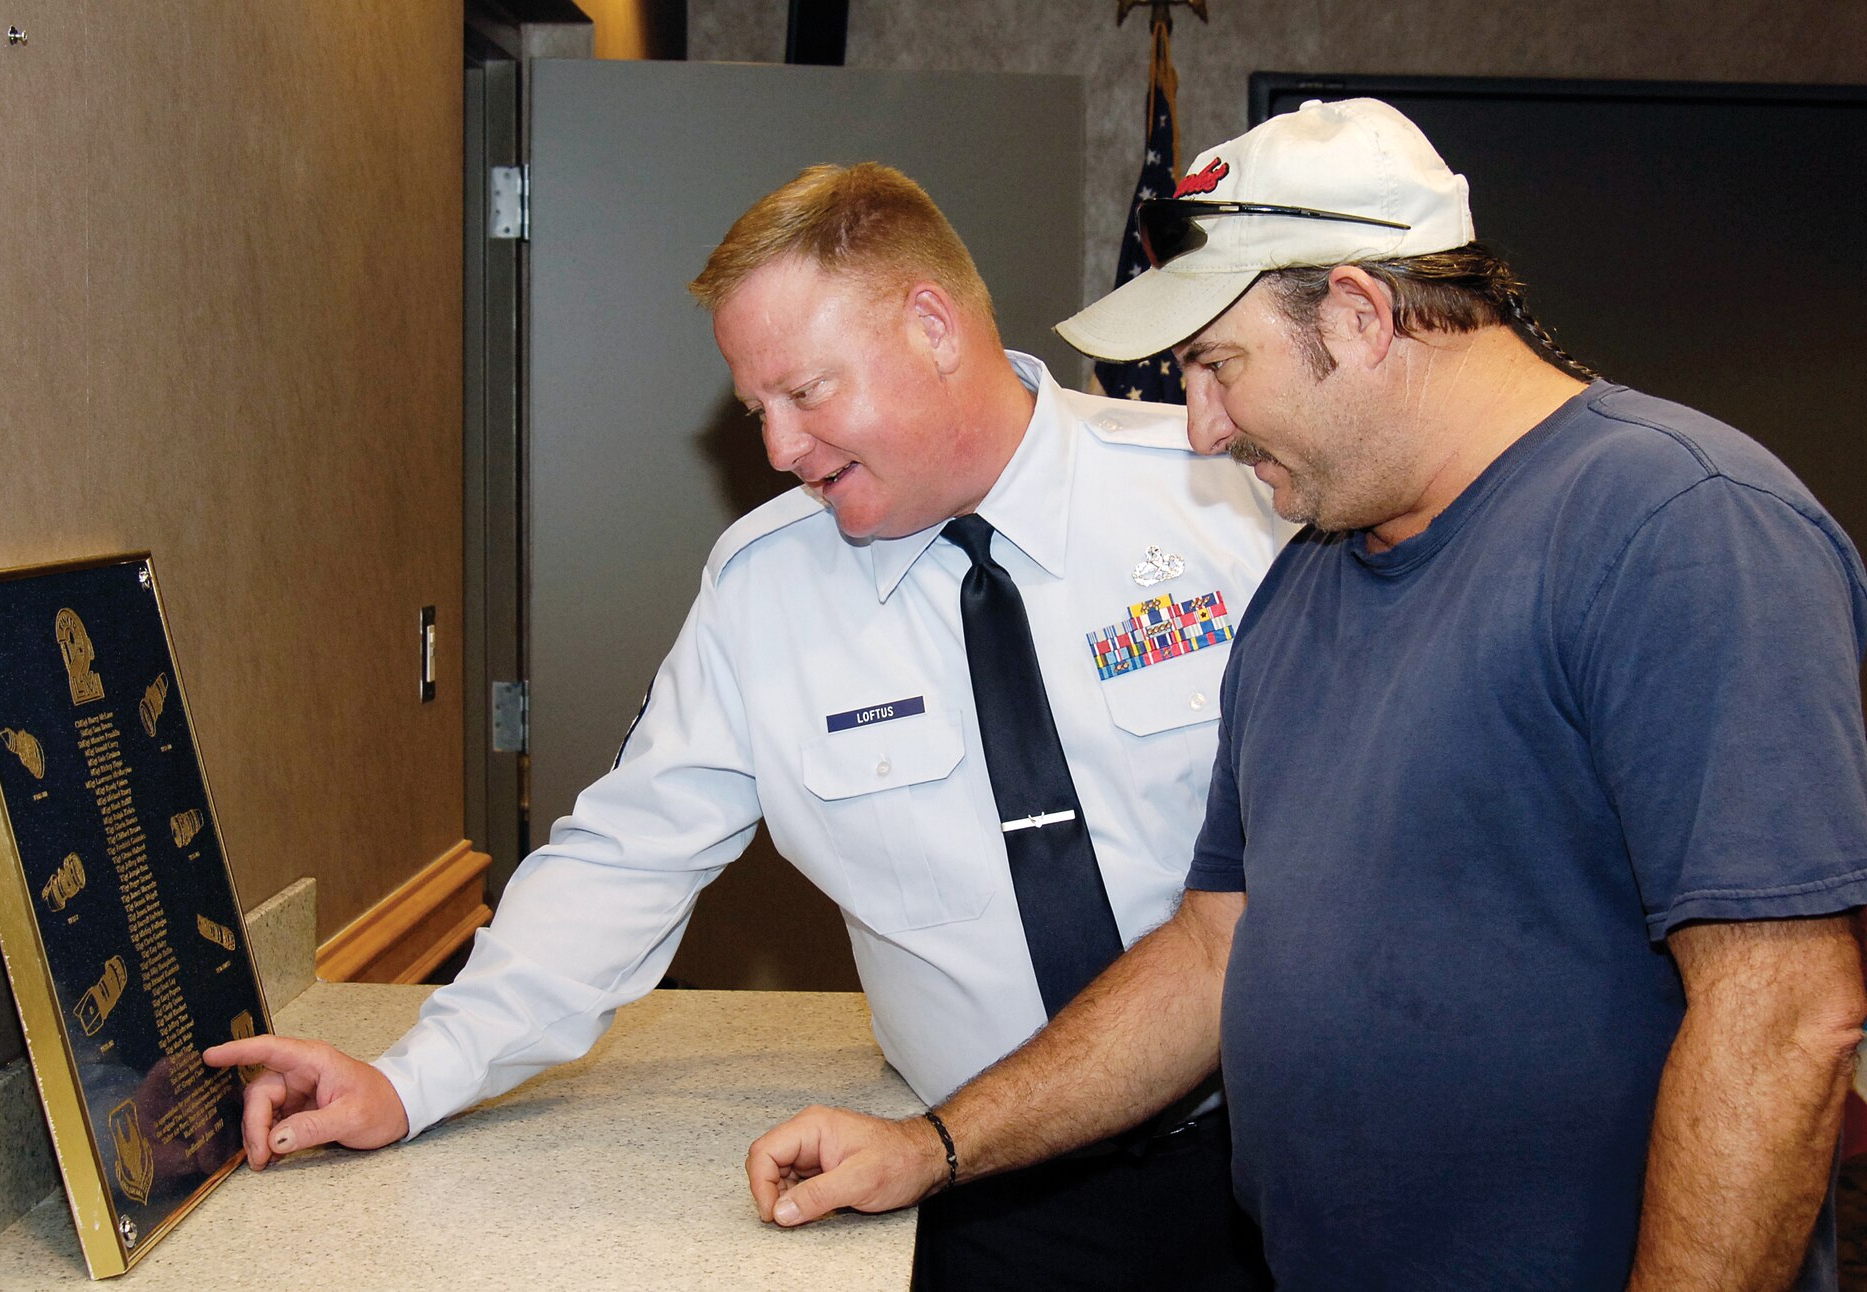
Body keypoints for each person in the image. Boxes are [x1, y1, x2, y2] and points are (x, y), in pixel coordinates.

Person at [745, 99, 1867, 1292]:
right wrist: (933, 1147)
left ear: (1358, 313)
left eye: (1218, 367)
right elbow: (1211, 952)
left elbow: (1784, 1015)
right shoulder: (1310, 581)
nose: (1201, 428)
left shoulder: (1674, 525)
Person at [205, 162, 1288, 1289]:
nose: (775, 449)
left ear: (929, 325)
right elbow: (622, 859)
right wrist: (410, 1078)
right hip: (968, 1184)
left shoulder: (1224, 497)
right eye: (754, 409)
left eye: (804, 393)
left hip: (1262, 1152)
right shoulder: (763, 588)